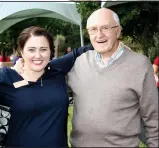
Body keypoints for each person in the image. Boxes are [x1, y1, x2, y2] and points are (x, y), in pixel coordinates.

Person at [66, 8, 158, 147]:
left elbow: (153, 118)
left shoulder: (139, 65)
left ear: (118, 31)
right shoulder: (80, 63)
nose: (99, 35)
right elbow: (51, 81)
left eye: (105, 28)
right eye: (93, 29)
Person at [0, 26, 93, 147]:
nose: (38, 55)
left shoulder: (56, 69)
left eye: (43, 49)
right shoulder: (3, 77)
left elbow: (85, 50)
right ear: (21, 51)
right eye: (31, 50)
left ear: (50, 51)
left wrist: (117, 47)